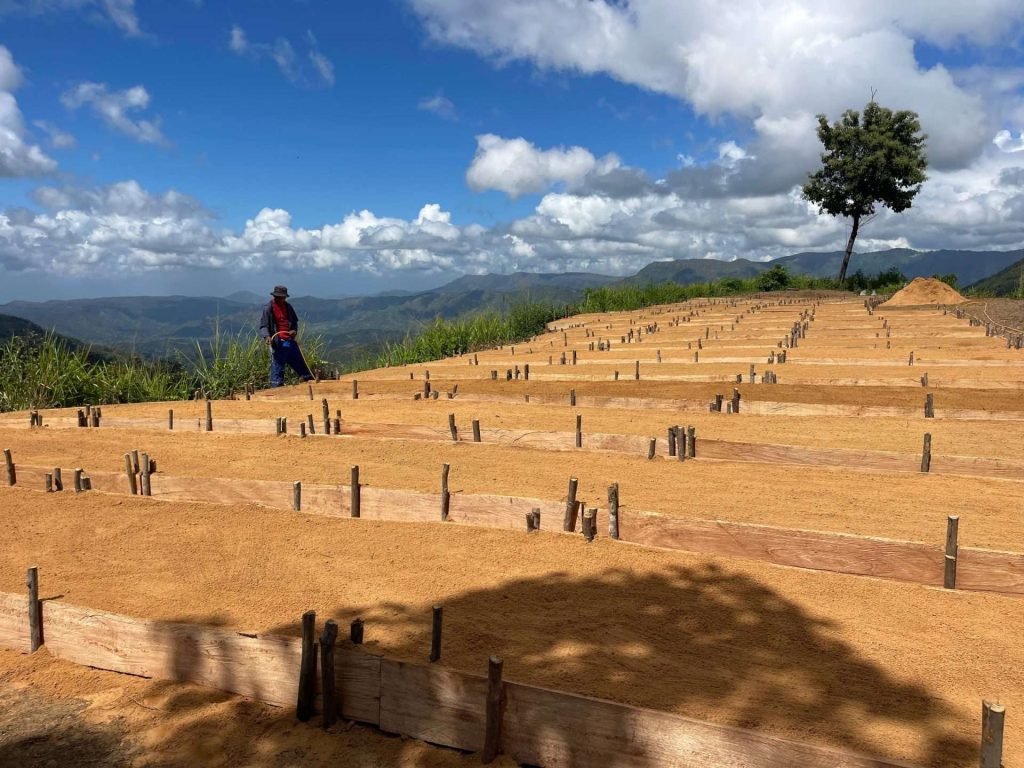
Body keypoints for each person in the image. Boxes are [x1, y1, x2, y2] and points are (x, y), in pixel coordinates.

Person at [259, 285, 314, 387]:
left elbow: (294, 323)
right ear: (274, 296)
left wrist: (294, 331)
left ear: (285, 297)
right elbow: (263, 326)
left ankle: (308, 381)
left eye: (282, 297)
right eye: (278, 297)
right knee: (278, 365)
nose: (281, 299)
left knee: (299, 362)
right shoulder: (268, 309)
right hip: (278, 342)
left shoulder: (288, 307)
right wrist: (267, 337)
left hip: (289, 340)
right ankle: (277, 386)